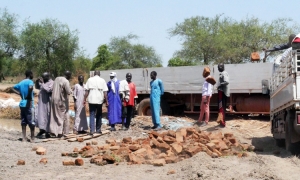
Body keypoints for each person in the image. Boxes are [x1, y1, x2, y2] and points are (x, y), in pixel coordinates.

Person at [13, 70, 35, 142]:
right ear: (30, 74)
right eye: (32, 74)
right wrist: (28, 95)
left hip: (22, 103)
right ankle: (32, 138)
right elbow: (31, 87)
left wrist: (19, 93)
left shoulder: (21, 82)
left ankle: (24, 138)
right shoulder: (30, 82)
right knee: (31, 120)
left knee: (23, 120)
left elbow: (12, 88)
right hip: (29, 103)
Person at [48, 71, 72, 138]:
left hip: (53, 99)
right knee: (61, 116)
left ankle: (53, 131)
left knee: (54, 116)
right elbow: (68, 92)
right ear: (68, 75)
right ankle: (59, 132)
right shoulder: (66, 81)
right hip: (60, 101)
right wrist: (71, 89)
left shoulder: (57, 78)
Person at [84, 70, 108, 135]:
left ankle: (92, 130)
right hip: (99, 100)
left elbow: (86, 92)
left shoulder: (89, 80)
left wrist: (84, 99)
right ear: (99, 74)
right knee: (99, 114)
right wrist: (107, 101)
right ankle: (98, 129)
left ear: (94, 74)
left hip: (91, 100)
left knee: (92, 114)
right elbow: (105, 92)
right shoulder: (102, 80)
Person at [36, 72, 53, 138]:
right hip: (40, 102)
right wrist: (37, 82)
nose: (42, 78)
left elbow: (48, 90)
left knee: (46, 116)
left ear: (47, 77)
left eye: (43, 77)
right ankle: (41, 130)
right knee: (40, 116)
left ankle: (47, 131)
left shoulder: (51, 82)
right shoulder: (43, 82)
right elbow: (37, 87)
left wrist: (42, 83)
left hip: (46, 102)